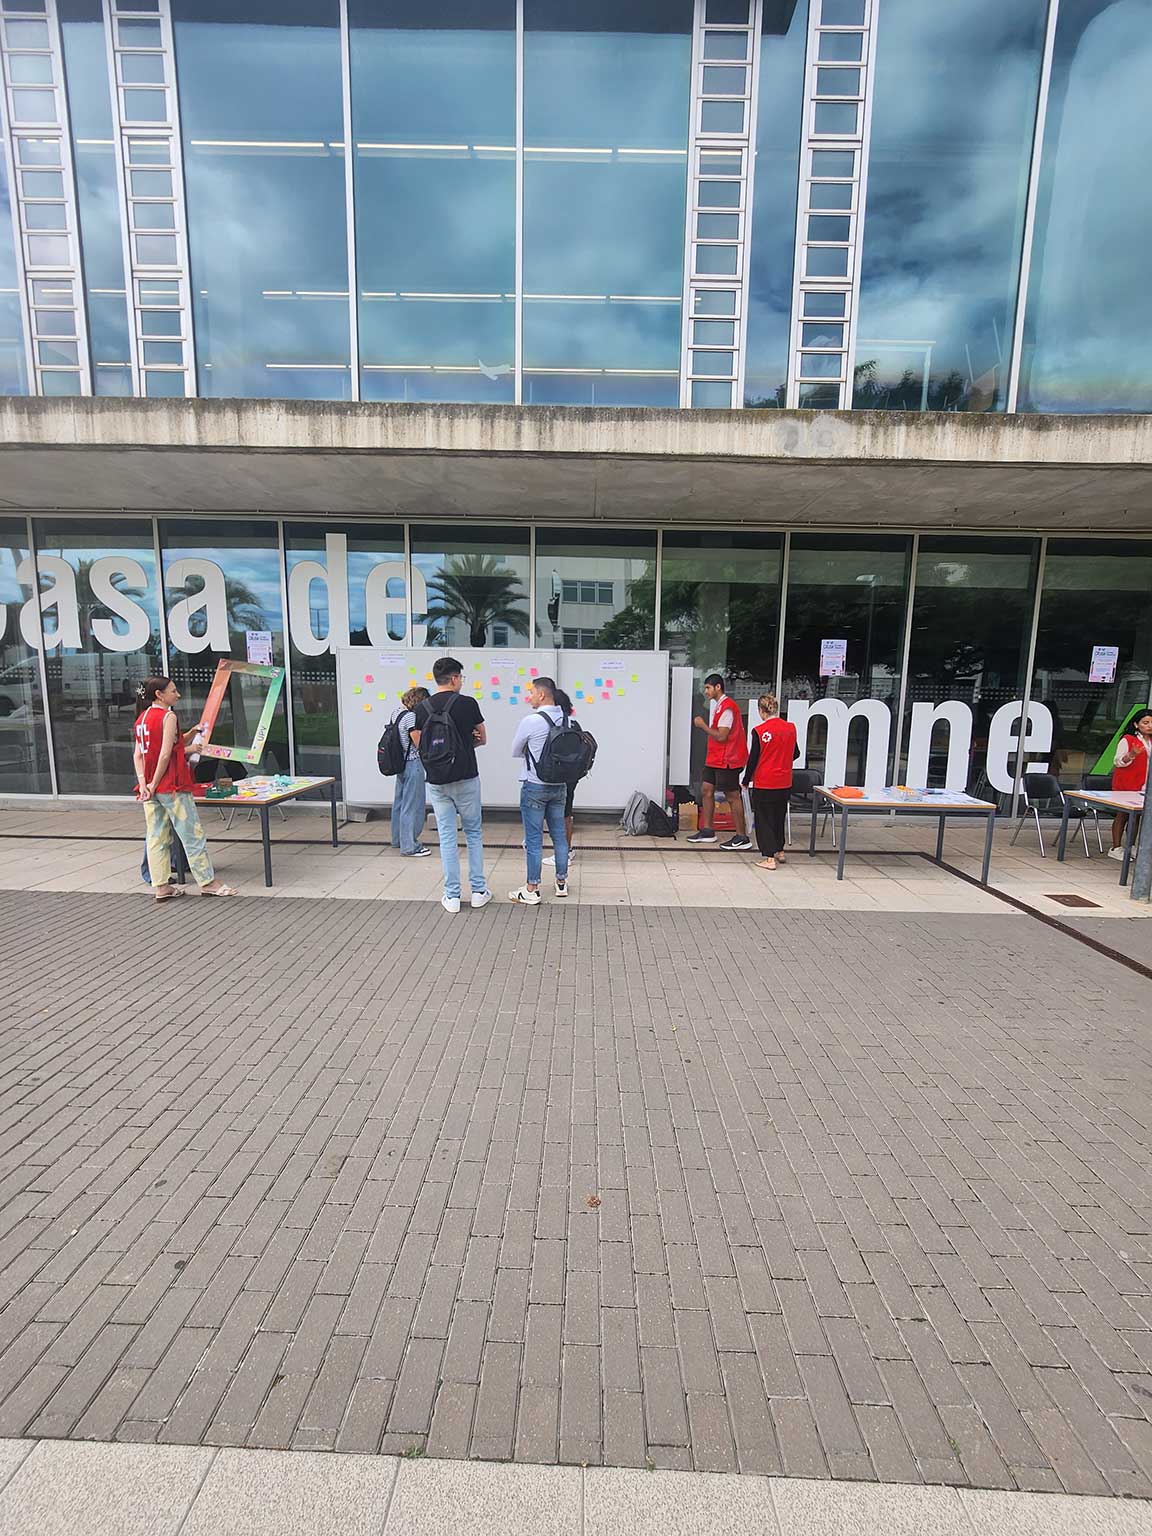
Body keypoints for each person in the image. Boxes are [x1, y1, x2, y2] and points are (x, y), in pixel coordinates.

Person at [133, 676, 238, 900]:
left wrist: (145, 784)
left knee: (156, 837)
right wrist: (156, 782)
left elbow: (139, 755)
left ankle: (161, 886)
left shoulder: (142, 718)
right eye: (173, 691)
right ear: (159, 695)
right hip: (172, 785)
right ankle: (207, 882)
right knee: (192, 834)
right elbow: (165, 754)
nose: (177, 694)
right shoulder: (168, 716)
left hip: (150, 789)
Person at [411, 656, 491, 913]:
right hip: (466, 776)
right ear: (455, 678)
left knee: (447, 836)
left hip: (437, 780)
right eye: (461, 678)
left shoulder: (421, 708)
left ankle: (452, 896)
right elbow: (483, 738)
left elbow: (419, 743)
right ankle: (478, 891)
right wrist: (465, 745)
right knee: (473, 833)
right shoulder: (467, 704)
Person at [509, 676, 571, 905]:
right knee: (560, 836)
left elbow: (516, 751)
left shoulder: (531, 721)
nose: (530, 697)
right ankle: (561, 883)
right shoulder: (567, 720)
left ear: (542, 694)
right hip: (560, 786)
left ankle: (532, 889)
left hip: (535, 786)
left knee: (534, 839)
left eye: (532, 692)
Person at [688, 673, 751, 850]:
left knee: (732, 795)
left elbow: (722, 736)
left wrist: (703, 726)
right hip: (715, 758)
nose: (705, 691)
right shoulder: (719, 706)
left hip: (728, 758)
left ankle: (742, 837)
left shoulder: (727, 707)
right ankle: (708, 830)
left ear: (718, 687)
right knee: (706, 789)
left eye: (708, 688)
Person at [743, 693, 798, 871]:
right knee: (778, 817)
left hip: (765, 781)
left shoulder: (759, 731)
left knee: (764, 819)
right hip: (784, 781)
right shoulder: (790, 728)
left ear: (761, 710)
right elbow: (796, 753)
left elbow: (753, 759)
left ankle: (768, 857)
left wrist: (746, 780)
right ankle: (780, 850)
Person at [390, 685, 432, 858]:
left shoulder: (397, 713)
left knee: (399, 803)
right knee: (412, 805)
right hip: (413, 764)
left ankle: (397, 840)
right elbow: (419, 743)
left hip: (400, 763)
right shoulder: (411, 718)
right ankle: (410, 846)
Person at [1109, 709, 1152, 860]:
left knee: (1136, 817)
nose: (1149, 726)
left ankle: (1130, 846)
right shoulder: (1127, 739)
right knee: (1123, 815)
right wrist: (1131, 755)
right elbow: (1118, 762)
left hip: (1145, 785)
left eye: (1151, 723)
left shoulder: (1150, 741)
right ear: (1136, 724)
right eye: (1145, 722)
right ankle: (1115, 847)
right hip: (1127, 784)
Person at [543, 686, 577, 868]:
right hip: (572, 775)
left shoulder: (549, 723)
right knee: (567, 813)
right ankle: (567, 850)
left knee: (557, 814)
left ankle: (562, 855)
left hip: (555, 775)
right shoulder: (573, 723)